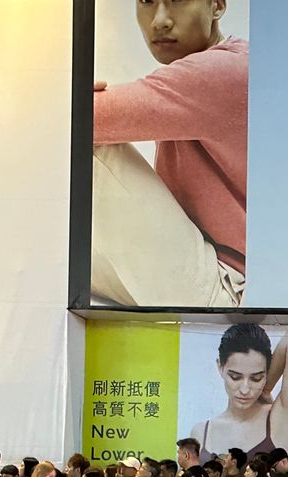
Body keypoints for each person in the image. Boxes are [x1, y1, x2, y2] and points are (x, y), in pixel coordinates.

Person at [91, 0, 248, 308]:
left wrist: (72, 97)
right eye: (147, 2)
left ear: (217, 5)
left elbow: (80, 118)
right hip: (201, 276)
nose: (160, 20)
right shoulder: (214, 68)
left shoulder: (224, 70)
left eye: (177, 0)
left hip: (229, 289)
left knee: (90, 144)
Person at [190, 324, 288, 461]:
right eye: (235, 377)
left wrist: (266, 387)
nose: (245, 390)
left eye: (256, 378)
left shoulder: (281, 418)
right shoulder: (201, 432)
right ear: (220, 367)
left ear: (266, 372)